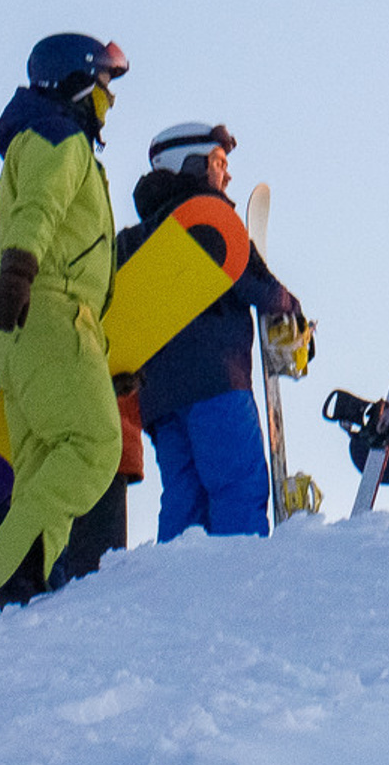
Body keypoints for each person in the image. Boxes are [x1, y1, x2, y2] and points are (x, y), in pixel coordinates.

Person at [0, 32, 129, 609]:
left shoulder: (38, 138)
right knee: (93, 445)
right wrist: (17, 273)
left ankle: (30, 587)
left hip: (25, 328)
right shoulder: (60, 139)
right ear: (79, 82)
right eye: (105, 84)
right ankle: (5, 569)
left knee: (44, 462)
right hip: (47, 310)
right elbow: (38, 209)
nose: (109, 98)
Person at [116, 121, 310, 541]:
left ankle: (177, 593)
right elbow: (252, 279)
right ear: (189, 165)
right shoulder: (210, 219)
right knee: (237, 488)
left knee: (184, 501)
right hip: (217, 382)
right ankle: (240, 589)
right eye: (218, 162)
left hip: (159, 399)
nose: (227, 174)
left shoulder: (132, 240)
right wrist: (289, 308)